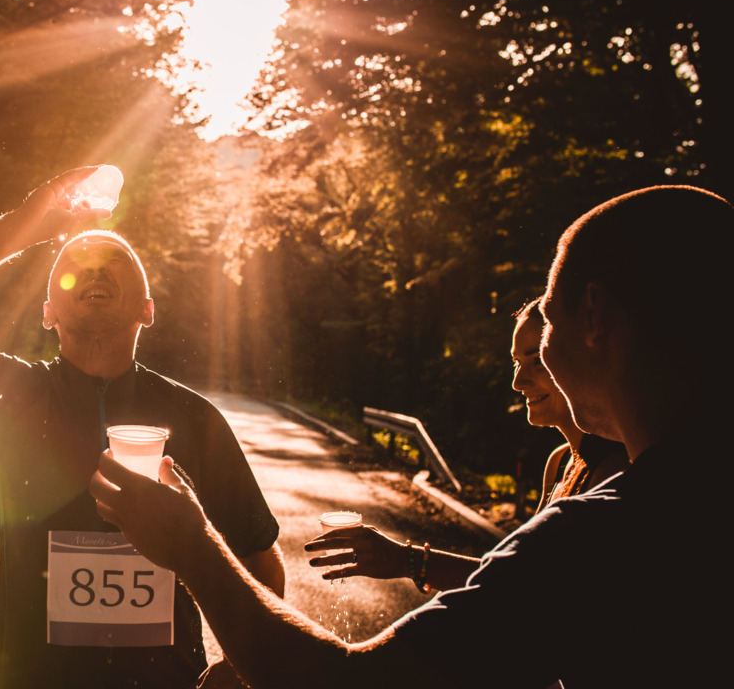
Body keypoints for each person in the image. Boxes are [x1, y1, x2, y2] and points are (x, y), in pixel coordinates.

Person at [89, 185, 731, 687]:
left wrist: (193, 544)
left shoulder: (608, 536)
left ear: (594, 317)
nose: (533, 368)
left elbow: (349, 685)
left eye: (551, 321)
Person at [0, 167, 285, 688]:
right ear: (47, 313)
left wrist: (242, 667)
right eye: (75, 263)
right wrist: (25, 225)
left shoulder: (196, 419)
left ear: (148, 310)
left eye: (116, 261)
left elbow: (260, 557)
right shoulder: (7, 396)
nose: (95, 268)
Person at [307, 300, 628, 591]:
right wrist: (404, 560)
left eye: (537, 361)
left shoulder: (614, 472)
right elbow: (519, 578)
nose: (518, 381)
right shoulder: (559, 462)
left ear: (576, 358)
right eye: (516, 362)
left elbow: (535, 594)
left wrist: (405, 560)